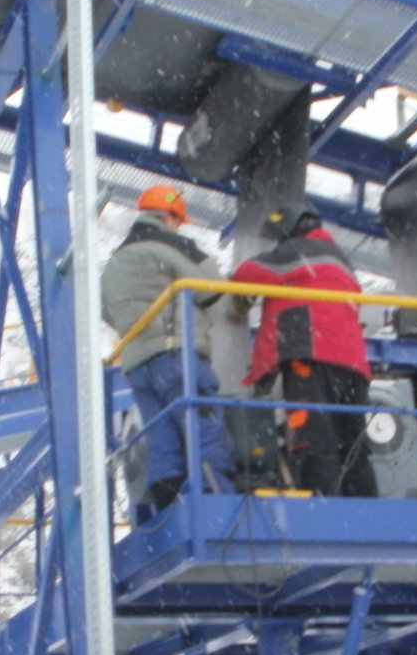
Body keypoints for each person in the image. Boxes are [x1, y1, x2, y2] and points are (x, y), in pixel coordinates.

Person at [101, 184, 235, 511]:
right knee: (202, 426)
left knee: (162, 441)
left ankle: (167, 507)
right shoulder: (172, 245)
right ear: (168, 216)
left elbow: (106, 311)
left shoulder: (114, 263)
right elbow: (211, 287)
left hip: (136, 362)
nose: (179, 227)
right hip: (176, 352)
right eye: (178, 221)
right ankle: (216, 499)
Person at [230, 205, 377, 497]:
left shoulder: (298, 250)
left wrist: (240, 297)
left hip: (311, 352)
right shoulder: (339, 258)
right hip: (352, 363)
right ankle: (363, 505)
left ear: (290, 231)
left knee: (313, 437)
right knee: (352, 443)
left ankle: (320, 506)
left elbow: (248, 273)